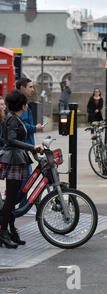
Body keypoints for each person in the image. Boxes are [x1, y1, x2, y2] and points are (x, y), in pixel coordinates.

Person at [0, 90, 43, 248]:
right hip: (13, 160)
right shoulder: (12, 119)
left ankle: (10, 230)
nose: (27, 105)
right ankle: (4, 232)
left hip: (17, 159)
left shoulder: (14, 118)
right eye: (26, 103)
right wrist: (32, 147)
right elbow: (10, 140)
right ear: (22, 105)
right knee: (11, 199)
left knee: (14, 197)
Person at [16, 78, 44, 209]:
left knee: (26, 178)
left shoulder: (24, 102)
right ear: (22, 87)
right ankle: (19, 206)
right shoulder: (19, 103)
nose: (33, 89)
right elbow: (20, 125)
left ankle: (21, 205)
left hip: (27, 146)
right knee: (26, 178)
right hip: (23, 147)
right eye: (30, 87)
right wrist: (35, 128)